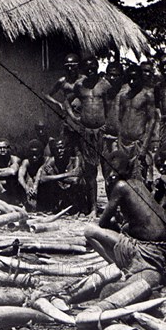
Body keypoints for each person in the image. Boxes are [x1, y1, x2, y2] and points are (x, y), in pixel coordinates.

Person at [85, 151, 166, 291]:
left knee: (89, 231)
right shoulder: (138, 184)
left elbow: (102, 223)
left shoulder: (120, 187)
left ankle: (120, 268)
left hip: (147, 248)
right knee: (123, 229)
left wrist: (115, 224)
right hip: (164, 247)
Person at [73, 56, 111, 214]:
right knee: (90, 172)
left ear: (97, 67)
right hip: (86, 132)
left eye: (93, 67)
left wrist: (108, 127)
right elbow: (70, 102)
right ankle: (94, 208)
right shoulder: (79, 86)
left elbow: (110, 107)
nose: (90, 70)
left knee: (108, 170)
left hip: (102, 131)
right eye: (87, 68)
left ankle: (111, 207)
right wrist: (75, 119)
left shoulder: (105, 85)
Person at [117, 65, 157, 182]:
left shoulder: (147, 95)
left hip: (139, 144)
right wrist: (119, 142)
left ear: (141, 78)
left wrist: (144, 146)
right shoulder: (124, 96)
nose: (132, 82)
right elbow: (120, 119)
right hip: (124, 144)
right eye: (129, 79)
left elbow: (152, 120)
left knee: (141, 179)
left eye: (135, 78)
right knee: (124, 177)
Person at [44, 53, 83, 153]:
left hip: (82, 115)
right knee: (67, 143)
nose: (70, 69)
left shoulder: (84, 80)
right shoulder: (62, 81)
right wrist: (58, 103)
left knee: (82, 144)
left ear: (77, 66)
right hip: (68, 117)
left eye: (72, 66)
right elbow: (47, 95)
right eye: (67, 67)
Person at [36, 137, 85, 214]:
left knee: (78, 184)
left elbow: (75, 180)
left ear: (67, 148)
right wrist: (67, 174)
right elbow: (42, 179)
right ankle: (53, 207)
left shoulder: (75, 160)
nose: (59, 151)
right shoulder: (52, 160)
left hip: (71, 195)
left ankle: (76, 209)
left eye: (62, 148)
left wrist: (53, 175)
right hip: (58, 193)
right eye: (56, 149)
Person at [103, 62, 124, 160]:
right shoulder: (103, 93)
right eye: (110, 75)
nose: (112, 78)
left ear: (121, 76)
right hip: (106, 137)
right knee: (106, 168)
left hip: (122, 139)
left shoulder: (126, 93)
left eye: (115, 75)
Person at [18, 139, 47, 210]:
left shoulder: (45, 161)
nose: (34, 157)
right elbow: (20, 177)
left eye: (37, 155)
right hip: (29, 186)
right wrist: (27, 188)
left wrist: (35, 187)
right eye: (32, 154)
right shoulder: (26, 162)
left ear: (41, 153)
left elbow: (39, 174)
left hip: (40, 187)